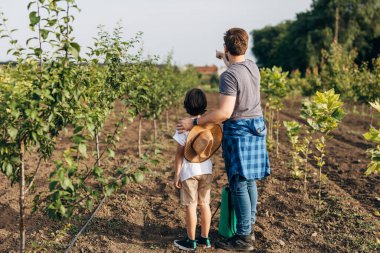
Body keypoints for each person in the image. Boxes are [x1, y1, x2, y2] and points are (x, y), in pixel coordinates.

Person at [176, 28, 270, 251]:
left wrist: (195, 122)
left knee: (238, 182)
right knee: (249, 181)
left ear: (227, 48)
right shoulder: (252, 67)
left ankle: (243, 238)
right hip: (257, 126)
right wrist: (223, 56)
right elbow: (237, 68)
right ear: (245, 47)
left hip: (240, 131)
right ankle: (249, 227)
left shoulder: (228, 76)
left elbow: (224, 113)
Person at [173, 88, 222, 251]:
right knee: (205, 204)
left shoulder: (183, 127)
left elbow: (179, 154)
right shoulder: (208, 124)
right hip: (206, 170)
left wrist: (177, 174)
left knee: (191, 205)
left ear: (186, 105)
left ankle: (191, 241)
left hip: (189, 172)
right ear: (204, 105)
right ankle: (205, 239)